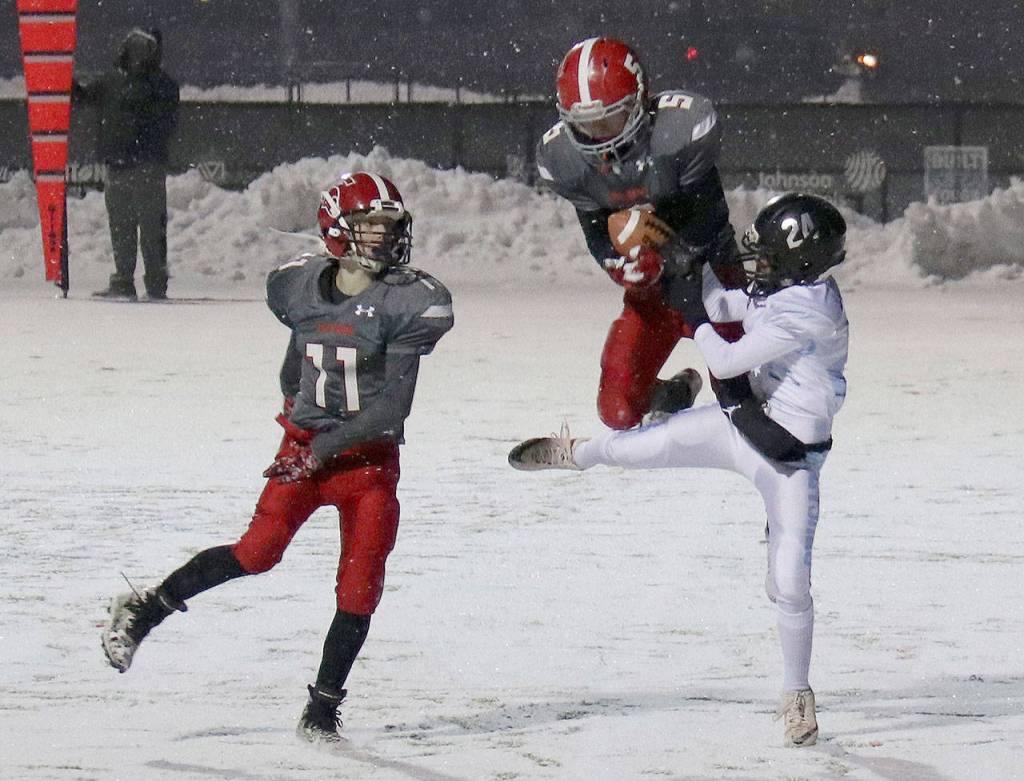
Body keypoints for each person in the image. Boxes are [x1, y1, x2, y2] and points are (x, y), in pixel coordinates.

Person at [100, 172, 454, 744]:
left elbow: (391, 410)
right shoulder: (301, 286)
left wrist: (320, 448)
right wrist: (301, 431)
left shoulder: (409, 301)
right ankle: (143, 609)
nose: (385, 240)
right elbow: (295, 367)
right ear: (337, 231)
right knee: (257, 552)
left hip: (365, 462)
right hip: (305, 451)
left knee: (360, 584)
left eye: (391, 228)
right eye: (371, 227)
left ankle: (322, 707)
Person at [509, 193, 849, 748]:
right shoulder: (793, 289)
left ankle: (796, 694)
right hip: (745, 425)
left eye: (769, 253)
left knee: (788, 585)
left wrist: (691, 308)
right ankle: (574, 452)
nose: (758, 262)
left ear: (801, 260)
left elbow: (723, 358)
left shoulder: (807, 308)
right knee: (632, 449)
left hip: (788, 458)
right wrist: (686, 269)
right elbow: (725, 309)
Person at [535, 36, 747, 429]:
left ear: (640, 103)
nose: (599, 136)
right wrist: (620, 266)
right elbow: (598, 233)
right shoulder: (566, 160)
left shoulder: (679, 132)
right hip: (655, 295)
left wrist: (664, 251)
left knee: (744, 400)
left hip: (716, 282)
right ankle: (675, 393)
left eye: (609, 119)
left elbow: (707, 217)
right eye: (585, 126)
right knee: (618, 410)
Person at [73, 28, 179, 300]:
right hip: (138, 165)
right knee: (140, 228)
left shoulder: (125, 83)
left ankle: (133, 280)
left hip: (134, 164)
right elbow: (82, 96)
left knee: (136, 228)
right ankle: (147, 282)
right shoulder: (160, 84)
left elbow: (82, 96)